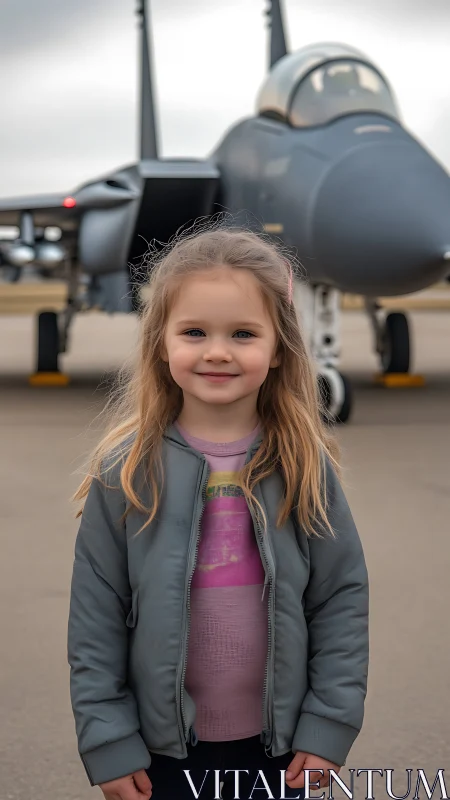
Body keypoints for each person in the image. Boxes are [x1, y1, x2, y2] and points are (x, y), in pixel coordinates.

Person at [68, 226, 369, 800]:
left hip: (280, 753)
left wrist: (329, 725)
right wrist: (107, 740)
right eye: (194, 331)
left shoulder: (303, 465)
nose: (217, 351)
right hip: (159, 755)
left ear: (278, 347)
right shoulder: (126, 472)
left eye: (243, 333)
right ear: (160, 341)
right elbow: (95, 619)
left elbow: (340, 600)